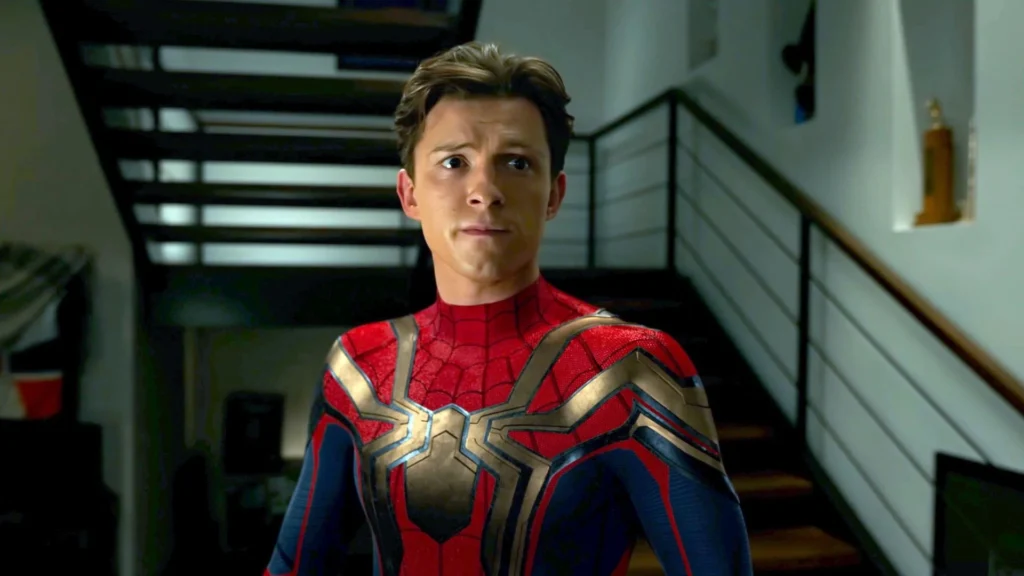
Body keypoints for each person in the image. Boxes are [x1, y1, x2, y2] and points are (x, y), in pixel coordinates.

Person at [264, 42, 753, 576]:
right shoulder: (356, 365)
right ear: (410, 194)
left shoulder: (632, 369)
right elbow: (294, 564)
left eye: (516, 162)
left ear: (554, 195)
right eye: (454, 162)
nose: (485, 191)